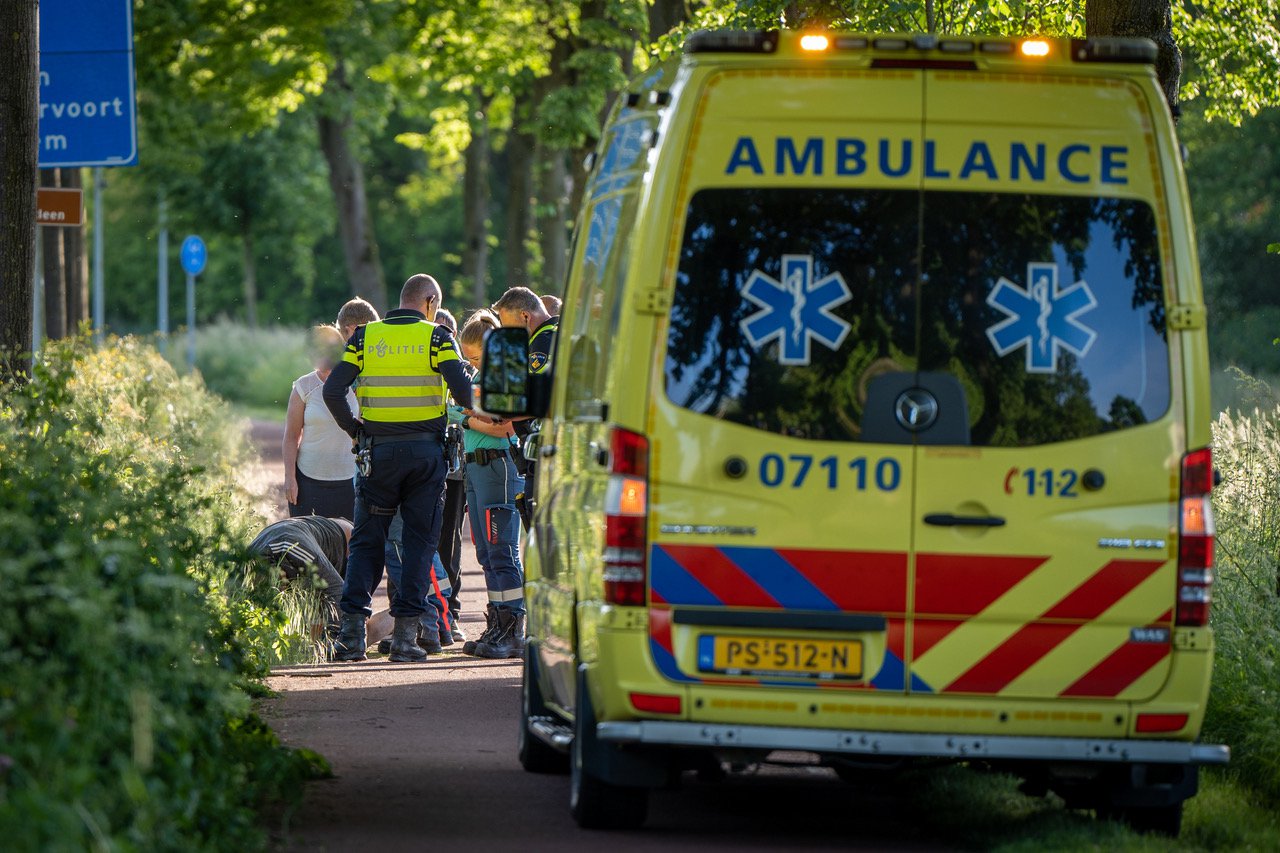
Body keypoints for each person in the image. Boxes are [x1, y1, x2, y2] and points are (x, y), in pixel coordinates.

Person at [323, 274, 473, 663]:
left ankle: (352, 637)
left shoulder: (365, 338)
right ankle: (406, 639)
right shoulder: (438, 338)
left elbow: (331, 390)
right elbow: (463, 392)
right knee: (419, 544)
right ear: (430, 301)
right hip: (425, 457)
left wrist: (355, 430)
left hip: (378, 456)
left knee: (367, 544)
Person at [452, 309, 528, 659]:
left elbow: (503, 427)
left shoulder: (505, 378)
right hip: (476, 470)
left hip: (496, 467)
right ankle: (498, 623)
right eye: (468, 359)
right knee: (485, 552)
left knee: (501, 550)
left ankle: (514, 627)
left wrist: (465, 418)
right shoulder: (480, 379)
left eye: (478, 357)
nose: (473, 364)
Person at [491, 286, 560, 528]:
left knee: (539, 536)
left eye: (508, 326)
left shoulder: (542, 342)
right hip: (553, 451)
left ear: (525, 317)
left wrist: (500, 411)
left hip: (544, 455)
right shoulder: (561, 333)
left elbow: (538, 398)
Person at [284, 325, 359, 520]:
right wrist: (290, 478)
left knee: (347, 546)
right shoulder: (303, 386)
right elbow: (291, 437)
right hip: (308, 482)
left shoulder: (357, 385)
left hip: (349, 481)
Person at [247, 516, 353, 639]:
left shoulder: (294, 548)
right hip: (294, 532)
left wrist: (332, 637)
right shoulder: (247, 571)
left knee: (343, 597)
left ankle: (344, 638)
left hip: (339, 535)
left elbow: (336, 592)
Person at [434, 307, 468, 640]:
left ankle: (452, 608)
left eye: (448, 331)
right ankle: (431, 609)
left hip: (457, 470)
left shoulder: (463, 371)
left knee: (450, 539)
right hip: (430, 463)